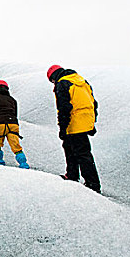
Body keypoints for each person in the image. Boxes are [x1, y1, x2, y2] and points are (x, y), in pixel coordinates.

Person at [47, 65, 100, 193]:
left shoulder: (62, 84)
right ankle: (72, 175)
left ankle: (92, 183)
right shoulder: (81, 81)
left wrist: (62, 127)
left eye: (52, 81)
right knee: (73, 148)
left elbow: (64, 107)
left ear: (54, 77)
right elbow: (93, 103)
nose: (53, 83)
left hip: (74, 121)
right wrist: (92, 123)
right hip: (86, 120)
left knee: (80, 152)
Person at [0, 80, 30, 169]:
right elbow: (15, 113)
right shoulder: (12, 100)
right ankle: (23, 164)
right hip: (13, 124)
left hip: (1, 124)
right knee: (16, 146)